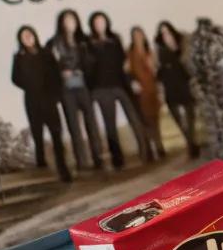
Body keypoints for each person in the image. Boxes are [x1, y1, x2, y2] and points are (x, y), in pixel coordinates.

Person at [87, 11, 151, 167]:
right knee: (110, 125)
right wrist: (92, 90)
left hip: (119, 85)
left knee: (134, 118)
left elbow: (123, 64)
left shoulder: (114, 39)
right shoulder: (90, 43)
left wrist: (130, 81)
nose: (100, 25)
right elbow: (89, 67)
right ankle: (118, 159)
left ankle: (146, 152)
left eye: (102, 21)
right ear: (93, 25)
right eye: (97, 22)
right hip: (102, 88)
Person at [10, 25, 72, 183]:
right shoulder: (19, 56)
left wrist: (56, 95)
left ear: (34, 35)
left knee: (56, 135)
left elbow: (57, 74)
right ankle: (43, 168)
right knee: (38, 135)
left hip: (49, 100)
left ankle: (63, 170)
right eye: (24, 36)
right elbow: (15, 78)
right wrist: (29, 85)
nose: (28, 38)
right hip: (32, 101)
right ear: (20, 40)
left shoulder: (46, 52)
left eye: (29, 34)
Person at [46, 10, 103, 172]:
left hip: (83, 85)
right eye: (67, 20)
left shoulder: (83, 40)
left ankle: (97, 156)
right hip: (66, 89)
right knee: (74, 126)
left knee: (91, 122)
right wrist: (61, 72)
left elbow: (92, 62)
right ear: (62, 22)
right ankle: (82, 162)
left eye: (73, 19)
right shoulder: (53, 43)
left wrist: (83, 70)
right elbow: (49, 68)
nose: (71, 22)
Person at [155, 20, 200, 158]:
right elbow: (159, 72)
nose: (166, 36)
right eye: (163, 33)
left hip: (184, 85)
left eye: (167, 32)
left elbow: (189, 65)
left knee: (190, 116)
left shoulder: (183, 46)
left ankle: (192, 143)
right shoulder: (160, 51)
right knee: (178, 118)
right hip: (170, 87)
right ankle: (190, 142)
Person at [126, 25, 165, 160]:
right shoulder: (130, 53)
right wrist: (133, 82)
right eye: (135, 35)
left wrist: (152, 65)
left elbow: (156, 71)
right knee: (145, 120)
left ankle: (159, 147)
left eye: (140, 34)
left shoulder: (150, 52)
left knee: (155, 119)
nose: (138, 37)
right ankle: (149, 149)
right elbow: (127, 70)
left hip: (152, 88)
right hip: (140, 91)